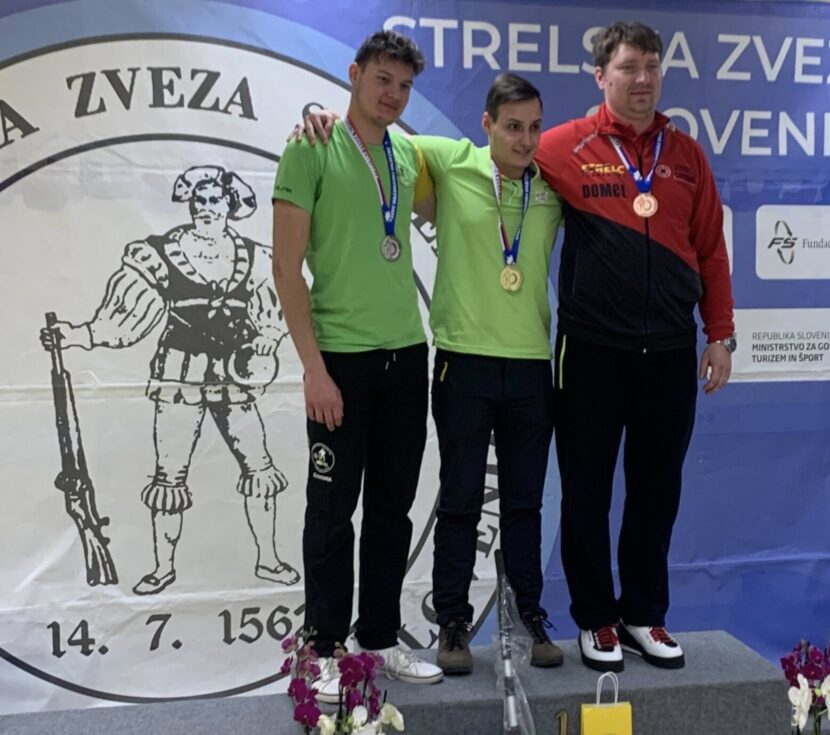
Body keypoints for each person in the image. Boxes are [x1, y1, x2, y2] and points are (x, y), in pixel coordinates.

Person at [299, 73, 565, 675]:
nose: (525, 140)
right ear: (487, 125)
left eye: (534, 128)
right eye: (512, 127)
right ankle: (452, 623)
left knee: (525, 502)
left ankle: (531, 613)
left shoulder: (552, 181)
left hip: (531, 365)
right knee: (461, 499)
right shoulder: (446, 160)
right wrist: (323, 117)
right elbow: (370, 139)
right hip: (462, 362)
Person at [535, 21, 735, 672]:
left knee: (657, 490)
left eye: (652, 66)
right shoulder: (563, 146)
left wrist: (720, 334)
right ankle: (596, 618)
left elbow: (711, 249)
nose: (643, 79)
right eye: (628, 67)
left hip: (670, 350)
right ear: (601, 76)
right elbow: (484, 162)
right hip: (591, 351)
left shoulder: (686, 155)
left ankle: (644, 613)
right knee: (586, 491)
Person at [272, 29, 443, 696]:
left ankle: (378, 638)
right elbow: (286, 268)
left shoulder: (408, 153)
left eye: (404, 85)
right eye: (382, 80)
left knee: (393, 511)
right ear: (354, 74)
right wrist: (314, 370)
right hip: (340, 360)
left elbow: (458, 192)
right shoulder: (310, 146)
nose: (393, 95)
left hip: (406, 355)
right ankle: (322, 649)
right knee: (330, 511)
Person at [40, 165, 298, 596]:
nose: (205, 207)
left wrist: (265, 345)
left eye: (214, 200)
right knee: (170, 477)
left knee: (259, 468)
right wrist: (77, 335)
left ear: (230, 206)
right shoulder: (159, 254)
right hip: (179, 374)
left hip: (235, 377)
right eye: (199, 200)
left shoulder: (254, 257)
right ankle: (163, 569)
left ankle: (268, 560)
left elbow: (279, 310)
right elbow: (122, 319)